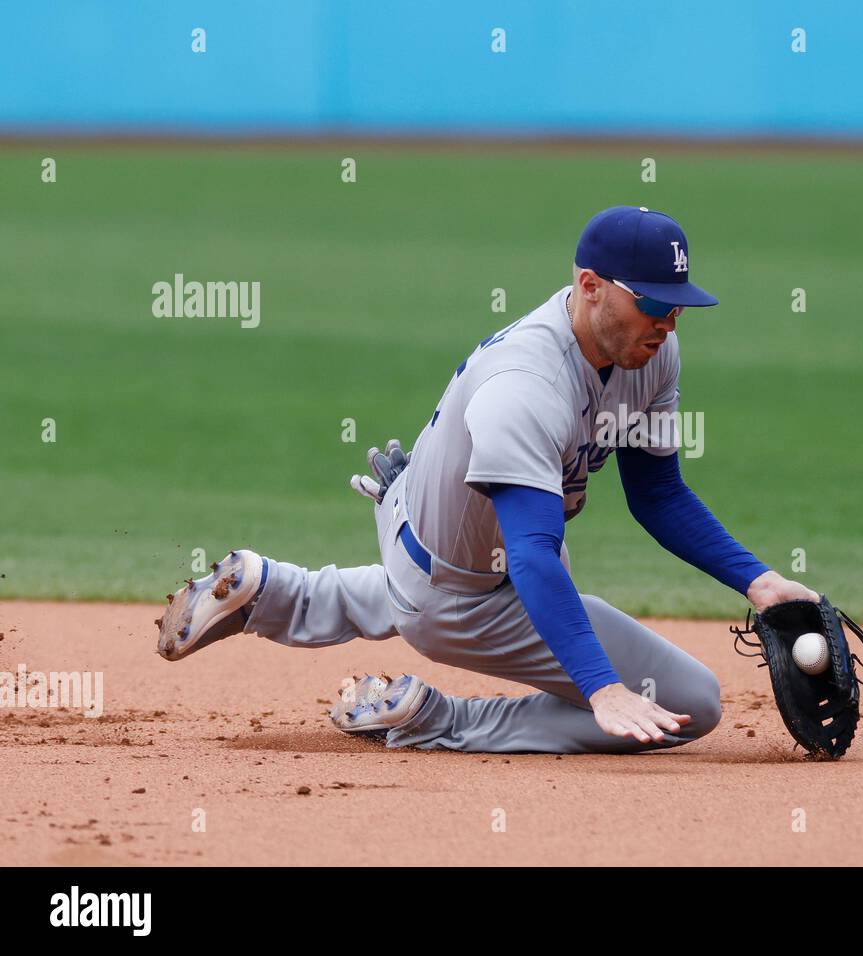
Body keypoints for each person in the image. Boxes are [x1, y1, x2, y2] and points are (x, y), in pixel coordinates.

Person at [156, 205, 818, 754]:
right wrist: (602, 687)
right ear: (590, 287)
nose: (670, 323)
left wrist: (759, 582)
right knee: (690, 703)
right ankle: (438, 721)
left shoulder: (650, 352)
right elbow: (530, 557)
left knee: (491, 564)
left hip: (443, 537)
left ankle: (278, 593)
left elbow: (658, 495)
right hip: (463, 595)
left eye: (679, 307)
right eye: (653, 305)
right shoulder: (527, 386)